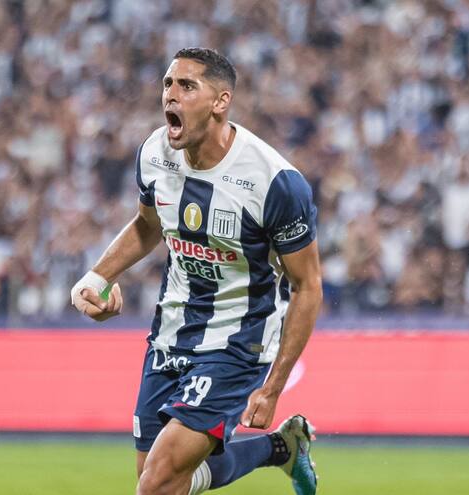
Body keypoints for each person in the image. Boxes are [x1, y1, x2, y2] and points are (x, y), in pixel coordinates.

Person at [71, 48, 322, 495]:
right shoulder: (154, 153)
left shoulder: (274, 182)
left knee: (157, 483)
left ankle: (277, 445)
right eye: (168, 84)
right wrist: (96, 278)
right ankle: (280, 449)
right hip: (171, 333)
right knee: (165, 483)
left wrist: (272, 387)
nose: (171, 95)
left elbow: (307, 286)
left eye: (187, 86)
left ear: (220, 102)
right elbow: (147, 226)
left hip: (237, 344)